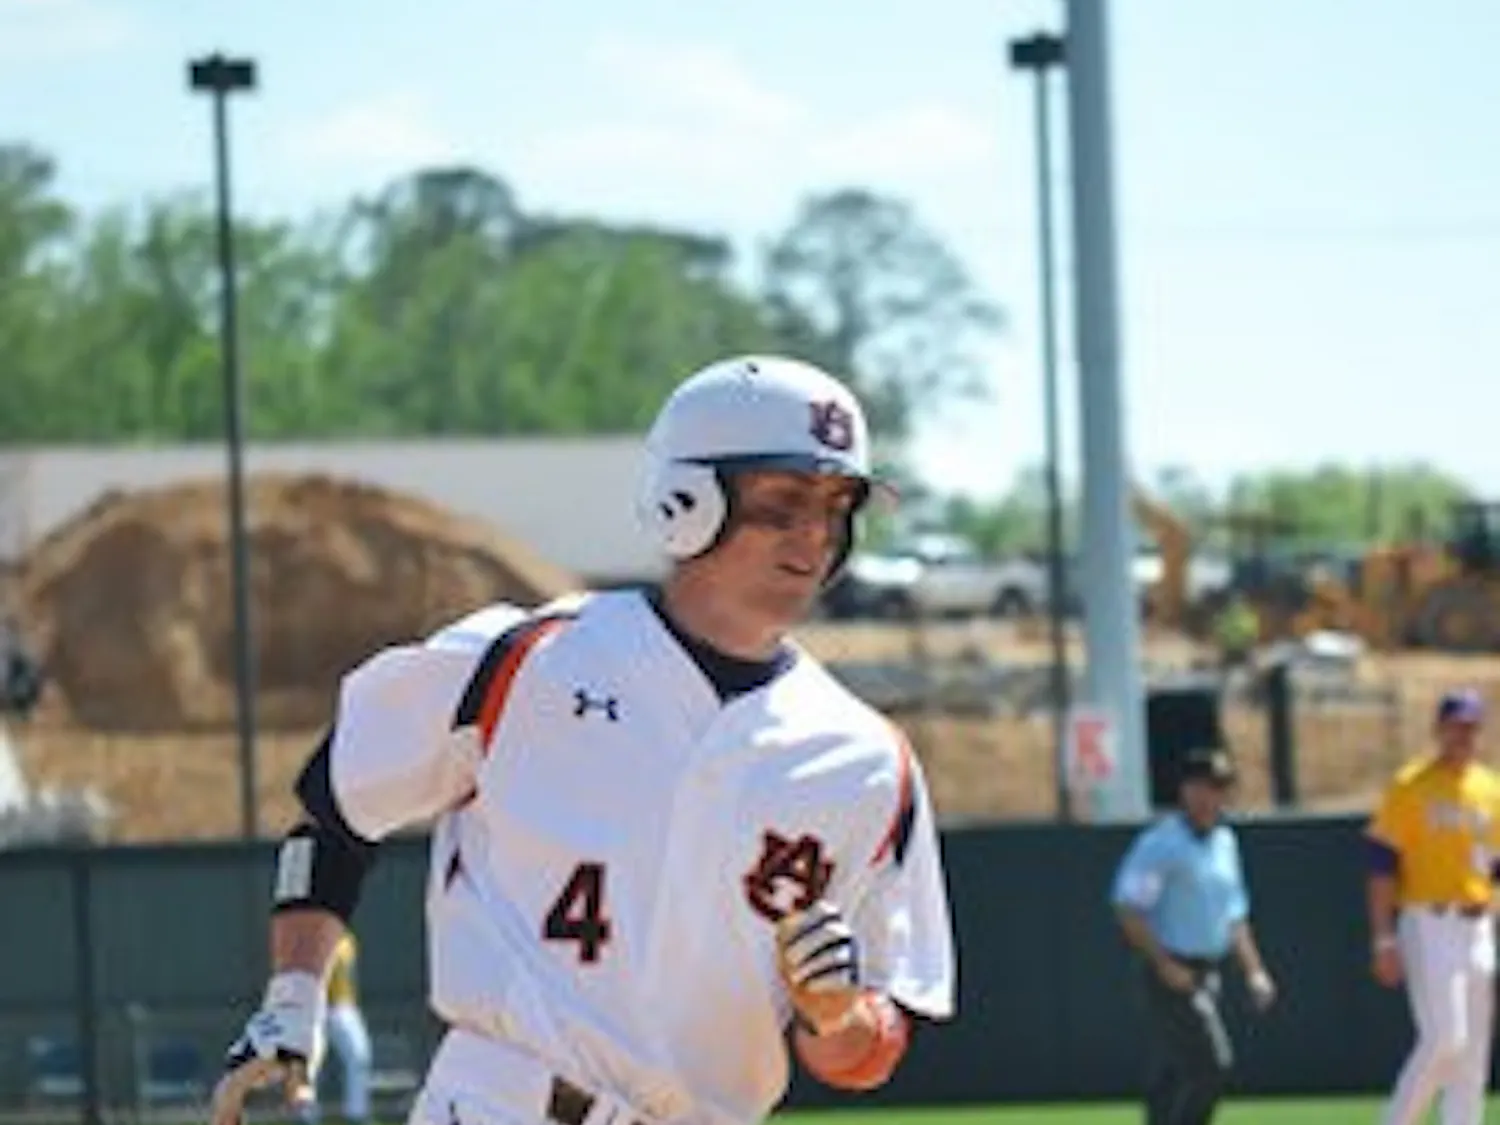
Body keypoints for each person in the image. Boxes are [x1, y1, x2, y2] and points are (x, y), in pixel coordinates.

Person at [211, 355, 958, 1125]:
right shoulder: (525, 659)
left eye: (837, 506)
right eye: (784, 500)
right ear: (688, 496)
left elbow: (872, 1046)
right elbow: (334, 808)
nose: (814, 534)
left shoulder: (867, 762)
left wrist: (837, 1019)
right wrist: (293, 998)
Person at [1109, 746, 1277, 1125]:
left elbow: (1234, 914)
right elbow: (1128, 907)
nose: (1209, 796)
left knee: (1172, 1073)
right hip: (1168, 973)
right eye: (1201, 786)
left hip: (1207, 971)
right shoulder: (1161, 844)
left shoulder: (1224, 843)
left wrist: (1254, 971)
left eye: (1218, 787)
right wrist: (1164, 963)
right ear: (1184, 790)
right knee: (1210, 1065)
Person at [1366, 687, 1500, 1125]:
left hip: (1478, 925)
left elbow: (1495, 865)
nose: (1462, 734)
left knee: (1472, 1059)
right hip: (1429, 920)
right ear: (1437, 729)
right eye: (1455, 725)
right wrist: (1384, 938)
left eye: (1470, 726)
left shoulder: (1490, 788)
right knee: (1446, 1039)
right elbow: (1382, 863)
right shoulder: (1411, 786)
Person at [299, 931, 373, 1125]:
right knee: (310, 1066)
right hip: (315, 1007)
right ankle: (308, 1118)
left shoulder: (347, 940)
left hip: (343, 1007)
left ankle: (356, 1115)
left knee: (359, 1056)